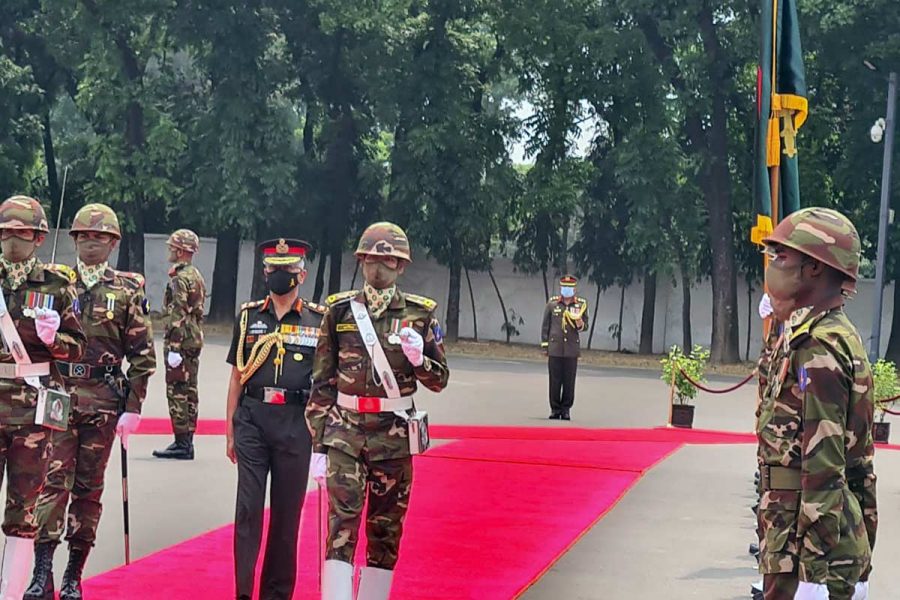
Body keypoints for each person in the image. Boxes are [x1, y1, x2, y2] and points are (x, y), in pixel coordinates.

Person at [307, 222, 449, 600]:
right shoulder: (339, 311)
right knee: (342, 522)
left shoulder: (420, 315)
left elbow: (439, 380)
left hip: (394, 437)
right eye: (371, 259)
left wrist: (420, 360)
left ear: (401, 266)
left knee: (385, 529)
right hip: (345, 433)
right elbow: (322, 380)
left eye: (388, 261)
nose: (378, 268)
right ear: (360, 261)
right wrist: (318, 444)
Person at [25, 203, 156, 600]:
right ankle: (41, 572)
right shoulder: (55, 284)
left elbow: (142, 355)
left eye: (100, 237)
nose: (91, 243)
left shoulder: (127, 291)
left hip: (102, 401)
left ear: (114, 243)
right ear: (75, 241)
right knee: (51, 485)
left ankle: (73, 575)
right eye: (84, 236)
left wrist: (133, 407)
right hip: (59, 396)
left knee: (88, 490)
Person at [757, 207, 877, 600]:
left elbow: (824, 466)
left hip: (806, 548)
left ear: (813, 268)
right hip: (806, 537)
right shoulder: (819, 334)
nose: (773, 266)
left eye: (782, 257)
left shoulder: (820, 347)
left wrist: (813, 575)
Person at [224, 238, 326, 600]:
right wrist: (230, 429)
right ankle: (243, 593)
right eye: (272, 269)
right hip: (252, 419)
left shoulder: (318, 320)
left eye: (286, 270)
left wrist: (324, 438)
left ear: (302, 274)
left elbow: (326, 382)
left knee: (286, 516)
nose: (278, 275)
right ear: (265, 271)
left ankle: (276, 594)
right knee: (248, 510)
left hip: (296, 424)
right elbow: (237, 375)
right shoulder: (249, 316)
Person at [0, 195, 86, 598]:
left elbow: (77, 346)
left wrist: (55, 339)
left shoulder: (56, 284)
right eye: (6, 234)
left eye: (21, 234)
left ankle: (12, 591)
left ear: (38, 237)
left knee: (24, 508)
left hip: (32, 411)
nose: (12, 242)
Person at [153, 229, 206, 460]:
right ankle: (188, 440)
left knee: (177, 391)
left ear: (181, 250)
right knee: (191, 390)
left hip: (181, 340)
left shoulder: (179, 279)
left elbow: (177, 314)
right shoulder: (195, 275)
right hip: (193, 337)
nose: (170, 251)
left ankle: (181, 442)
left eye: (172, 247)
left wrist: (173, 347)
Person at [540, 275, 589, 420]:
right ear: (561, 288)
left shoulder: (580, 305)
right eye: (564, 287)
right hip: (555, 348)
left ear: (574, 289)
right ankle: (555, 409)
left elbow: (585, 327)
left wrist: (580, 322)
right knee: (554, 380)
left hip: (571, 349)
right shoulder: (552, 304)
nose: (567, 290)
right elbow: (545, 326)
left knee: (569, 380)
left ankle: (566, 409)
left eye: (570, 288)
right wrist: (545, 347)